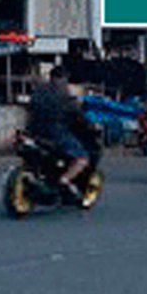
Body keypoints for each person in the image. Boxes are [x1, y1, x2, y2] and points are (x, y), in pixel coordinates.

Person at [26, 65, 95, 198]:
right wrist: (89, 125)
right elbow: (78, 116)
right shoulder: (65, 96)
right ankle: (64, 180)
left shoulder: (39, 91)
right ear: (64, 79)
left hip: (34, 132)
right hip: (56, 134)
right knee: (82, 158)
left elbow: (30, 109)